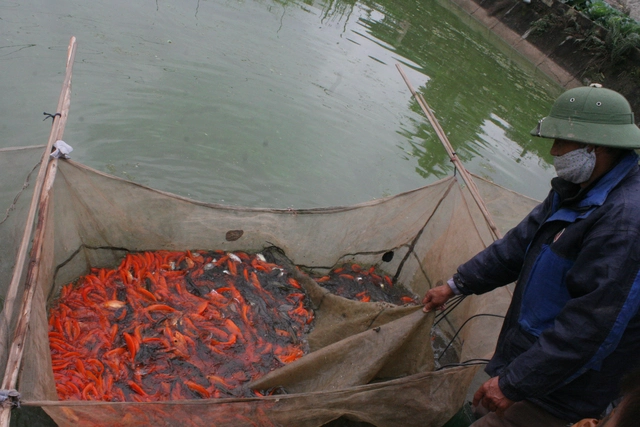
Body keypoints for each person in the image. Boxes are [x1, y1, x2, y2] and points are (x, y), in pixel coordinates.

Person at [422, 84, 640, 427]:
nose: (553, 151)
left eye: (561, 143)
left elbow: (591, 327)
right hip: (527, 357)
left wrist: (514, 383)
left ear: (593, 146)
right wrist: (455, 284)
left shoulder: (625, 221)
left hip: (564, 390)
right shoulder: (578, 190)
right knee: (479, 408)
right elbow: (517, 245)